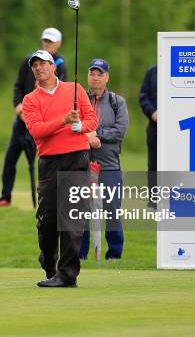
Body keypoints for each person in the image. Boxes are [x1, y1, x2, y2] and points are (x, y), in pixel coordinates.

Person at [22, 50, 97, 287]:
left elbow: (92, 120)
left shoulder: (74, 89)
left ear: (53, 67)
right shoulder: (30, 100)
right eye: (34, 65)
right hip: (50, 162)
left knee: (72, 220)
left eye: (43, 63)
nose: (39, 68)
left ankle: (67, 275)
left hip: (77, 158)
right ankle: (49, 260)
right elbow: (37, 130)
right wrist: (63, 121)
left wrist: (80, 125)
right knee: (47, 222)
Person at [0, 28, 67, 207]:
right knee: (10, 157)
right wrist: (19, 107)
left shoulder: (60, 65)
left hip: (44, 123)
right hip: (21, 120)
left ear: (58, 44)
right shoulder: (29, 61)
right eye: (45, 41)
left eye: (50, 42)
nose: (47, 44)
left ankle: (46, 198)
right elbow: (18, 86)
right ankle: (5, 197)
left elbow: (56, 94)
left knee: (44, 161)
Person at [83, 59, 129, 260]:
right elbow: (71, 127)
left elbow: (119, 131)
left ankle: (114, 255)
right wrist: (87, 136)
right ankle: (80, 254)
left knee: (112, 212)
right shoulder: (78, 99)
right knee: (81, 212)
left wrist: (96, 134)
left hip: (109, 165)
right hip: (81, 164)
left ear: (107, 77)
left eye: (99, 74)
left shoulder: (117, 102)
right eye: (92, 73)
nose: (95, 77)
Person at [139, 65, 157, 208]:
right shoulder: (152, 71)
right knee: (153, 165)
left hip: (180, 127)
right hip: (154, 125)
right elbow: (143, 96)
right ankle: (154, 200)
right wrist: (152, 112)